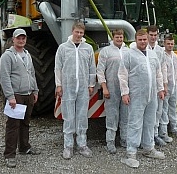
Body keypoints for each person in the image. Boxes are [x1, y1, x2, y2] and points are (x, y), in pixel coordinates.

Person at [118, 29, 166, 168]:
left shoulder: (152, 54)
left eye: (145, 39)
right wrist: (125, 92)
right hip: (136, 95)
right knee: (135, 123)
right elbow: (122, 74)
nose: (143, 42)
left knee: (150, 122)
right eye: (140, 40)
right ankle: (131, 153)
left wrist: (160, 88)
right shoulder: (129, 54)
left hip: (152, 95)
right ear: (136, 40)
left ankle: (148, 148)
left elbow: (158, 73)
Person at [55, 22, 96, 159]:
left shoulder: (88, 48)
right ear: (72, 31)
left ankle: (82, 144)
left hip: (83, 88)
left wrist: (91, 84)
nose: (79, 35)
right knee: (68, 116)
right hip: (68, 87)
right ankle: (68, 146)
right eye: (77, 32)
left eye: (81, 33)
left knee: (82, 116)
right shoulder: (63, 48)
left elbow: (92, 69)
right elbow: (58, 68)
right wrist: (59, 85)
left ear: (83, 34)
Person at [0, 28, 40, 168]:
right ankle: (9, 155)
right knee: (13, 125)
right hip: (15, 95)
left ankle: (24, 147)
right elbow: (4, 78)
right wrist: (10, 97)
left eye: (23, 38)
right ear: (13, 40)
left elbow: (32, 73)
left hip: (28, 94)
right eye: (18, 38)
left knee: (25, 123)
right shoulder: (7, 56)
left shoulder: (27, 54)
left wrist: (35, 90)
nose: (21, 40)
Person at [97, 29, 130, 154]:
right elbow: (100, 70)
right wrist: (104, 87)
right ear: (113, 37)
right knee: (112, 116)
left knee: (125, 116)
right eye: (117, 37)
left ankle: (124, 139)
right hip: (111, 88)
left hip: (125, 89)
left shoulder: (128, 51)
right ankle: (110, 142)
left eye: (121, 37)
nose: (119, 39)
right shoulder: (106, 52)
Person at [159, 35, 177, 138]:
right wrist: (163, 86)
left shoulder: (175, 56)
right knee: (164, 109)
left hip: (174, 86)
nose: (170, 45)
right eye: (168, 43)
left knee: (173, 108)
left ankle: (175, 128)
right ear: (164, 44)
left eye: (172, 44)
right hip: (164, 86)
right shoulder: (162, 55)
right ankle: (163, 132)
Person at [146, 25, 169, 146]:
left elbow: (163, 68)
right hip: (145, 85)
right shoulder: (140, 47)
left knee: (157, 111)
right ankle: (145, 137)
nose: (153, 37)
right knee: (144, 112)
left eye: (155, 35)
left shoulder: (160, 50)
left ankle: (154, 134)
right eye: (151, 35)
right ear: (147, 34)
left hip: (157, 85)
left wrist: (164, 86)